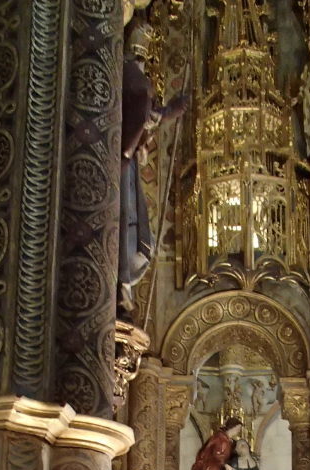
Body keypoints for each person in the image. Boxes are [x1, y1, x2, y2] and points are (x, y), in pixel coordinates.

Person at [119, 19, 187, 322]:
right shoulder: (130, 78)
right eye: (140, 57)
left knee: (130, 225)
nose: (142, 64)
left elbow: (143, 119)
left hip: (127, 161)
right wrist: (167, 111)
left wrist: (163, 114)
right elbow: (141, 112)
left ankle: (122, 288)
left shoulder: (136, 82)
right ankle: (120, 287)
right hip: (119, 162)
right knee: (124, 222)